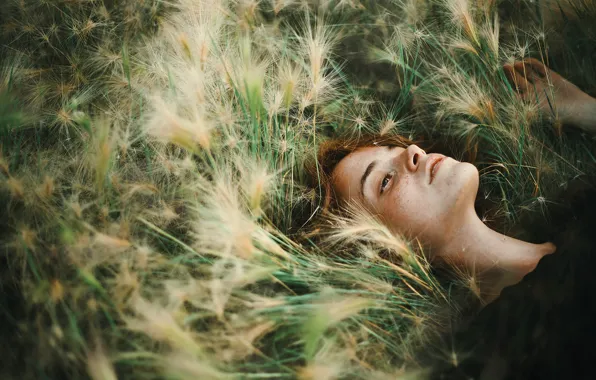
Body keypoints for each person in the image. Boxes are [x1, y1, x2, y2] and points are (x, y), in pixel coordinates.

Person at [304, 58, 596, 378]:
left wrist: (584, 111)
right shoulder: (497, 356)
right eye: (384, 182)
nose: (412, 150)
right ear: (384, 254)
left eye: (394, 148)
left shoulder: (579, 210)